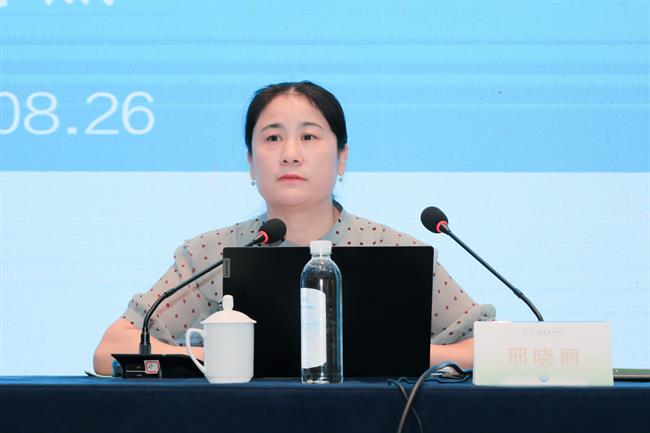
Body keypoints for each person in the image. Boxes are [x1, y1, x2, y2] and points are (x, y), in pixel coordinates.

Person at [93, 81, 495, 375]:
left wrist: (395, 356)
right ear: (251, 163)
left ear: (342, 158)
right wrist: (215, 358)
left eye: (308, 136)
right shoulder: (211, 255)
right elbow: (112, 348)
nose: (290, 154)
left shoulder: (396, 251)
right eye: (272, 138)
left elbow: (490, 347)